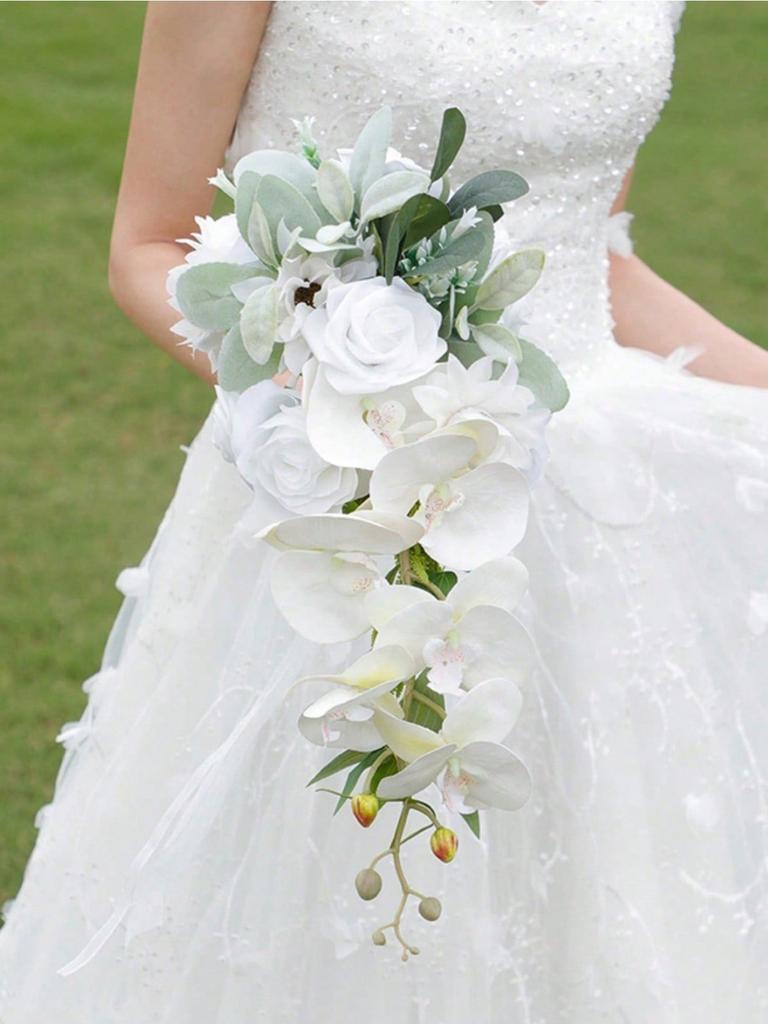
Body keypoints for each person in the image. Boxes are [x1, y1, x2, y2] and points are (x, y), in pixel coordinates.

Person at [1, 3, 766, 1021]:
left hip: (588, 517)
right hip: (341, 520)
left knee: (593, 894)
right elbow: (148, 245)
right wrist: (345, 417)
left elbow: (597, 257)